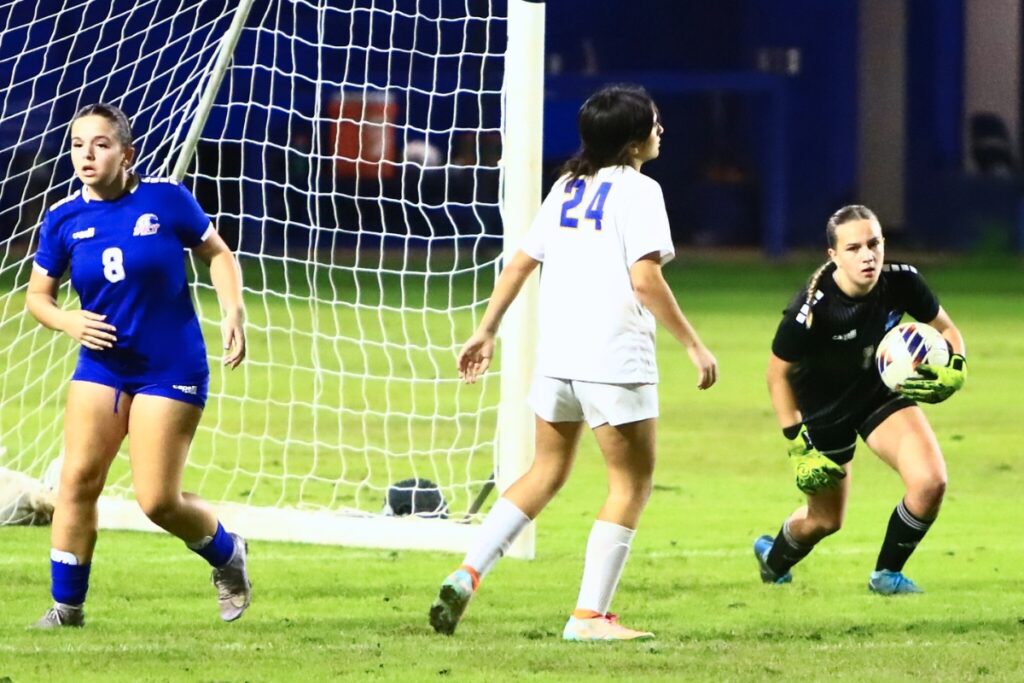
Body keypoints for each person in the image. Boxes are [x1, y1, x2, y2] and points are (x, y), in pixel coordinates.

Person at [428, 84, 718, 641]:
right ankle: (588, 617)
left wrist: (486, 329)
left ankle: (468, 572)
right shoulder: (641, 191)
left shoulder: (566, 186)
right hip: (614, 360)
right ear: (632, 142)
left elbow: (519, 263)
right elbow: (645, 279)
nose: (661, 131)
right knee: (630, 484)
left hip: (557, 356)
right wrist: (692, 343)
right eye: (654, 123)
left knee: (544, 472)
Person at [25, 103, 251, 627]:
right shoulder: (63, 218)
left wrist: (233, 312)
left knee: (157, 501)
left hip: (170, 367)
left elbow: (218, 254)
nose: (86, 154)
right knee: (77, 479)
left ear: (127, 154)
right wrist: (67, 321)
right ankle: (66, 609)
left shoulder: (166, 200)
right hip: (102, 367)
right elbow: (38, 296)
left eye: (100, 144)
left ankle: (227, 553)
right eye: (78, 144)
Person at [753, 205, 967, 595]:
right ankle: (773, 558)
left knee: (930, 482)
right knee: (825, 521)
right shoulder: (813, 308)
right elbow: (777, 374)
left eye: (874, 244)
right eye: (853, 248)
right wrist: (798, 444)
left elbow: (947, 330)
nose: (867, 255)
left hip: (878, 393)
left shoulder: (902, 282)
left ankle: (886, 576)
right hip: (824, 409)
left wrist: (957, 364)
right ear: (833, 255)